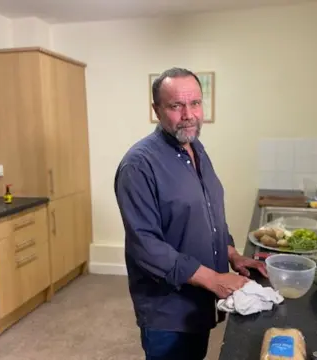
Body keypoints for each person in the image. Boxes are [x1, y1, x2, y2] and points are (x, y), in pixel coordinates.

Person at [114, 67, 268, 360]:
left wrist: (232, 255)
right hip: (167, 311)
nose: (188, 114)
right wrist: (213, 278)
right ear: (156, 110)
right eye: (176, 106)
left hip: (199, 301)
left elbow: (206, 216)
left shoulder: (195, 148)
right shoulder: (138, 165)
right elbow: (146, 245)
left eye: (195, 103)